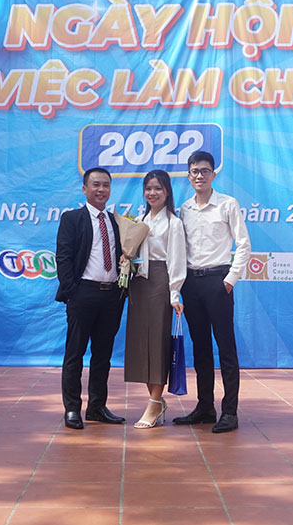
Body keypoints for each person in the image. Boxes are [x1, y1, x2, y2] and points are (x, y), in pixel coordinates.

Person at [173, 151, 250, 433]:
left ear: (213, 174)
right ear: (188, 175)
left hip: (218, 281)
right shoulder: (184, 209)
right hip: (192, 283)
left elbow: (243, 244)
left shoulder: (228, 204)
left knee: (226, 348)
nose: (200, 175)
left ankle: (229, 412)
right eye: (194, 171)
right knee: (201, 348)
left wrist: (230, 280)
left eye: (205, 170)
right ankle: (205, 407)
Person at [55, 167, 126, 430]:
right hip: (83, 294)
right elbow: (63, 257)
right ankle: (72, 408)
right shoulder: (72, 219)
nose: (101, 189)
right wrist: (72, 292)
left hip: (111, 296)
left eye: (106, 185)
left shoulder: (117, 222)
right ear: (84, 189)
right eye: (96, 184)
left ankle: (97, 407)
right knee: (75, 353)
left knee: (103, 355)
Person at [124, 170, 186, 429]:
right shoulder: (139, 220)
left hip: (161, 282)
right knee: (142, 345)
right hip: (138, 283)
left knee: (158, 344)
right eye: (148, 188)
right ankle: (155, 401)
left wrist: (174, 293)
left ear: (167, 191)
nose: (152, 193)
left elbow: (176, 260)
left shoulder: (173, 223)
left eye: (158, 188)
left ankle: (153, 403)